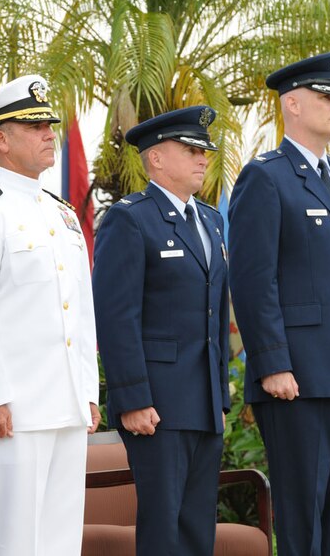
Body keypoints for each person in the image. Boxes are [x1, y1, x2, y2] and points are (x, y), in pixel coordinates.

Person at [228, 52, 330, 556]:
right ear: (292, 105)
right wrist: (272, 364)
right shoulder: (266, 177)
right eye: (326, 97)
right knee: (303, 521)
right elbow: (253, 280)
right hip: (298, 379)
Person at [0, 75, 101, 555]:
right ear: (1, 140)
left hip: (66, 403)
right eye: (35, 127)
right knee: (17, 541)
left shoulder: (63, 214)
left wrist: (87, 391)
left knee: (62, 541)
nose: (49, 134)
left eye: (49, 125)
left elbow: (81, 311)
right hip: (15, 409)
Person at [93, 106, 231, 555]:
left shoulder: (211, 221)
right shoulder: (131, 218)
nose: (203, 158)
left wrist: (220, 397)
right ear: (155, 158)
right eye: (191, 150)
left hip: (203, 403)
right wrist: (133, 398)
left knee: (197, 529)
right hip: (157, 404)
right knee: (162, 528)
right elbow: (116, 317)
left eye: (204, 150)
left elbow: (215, 313)